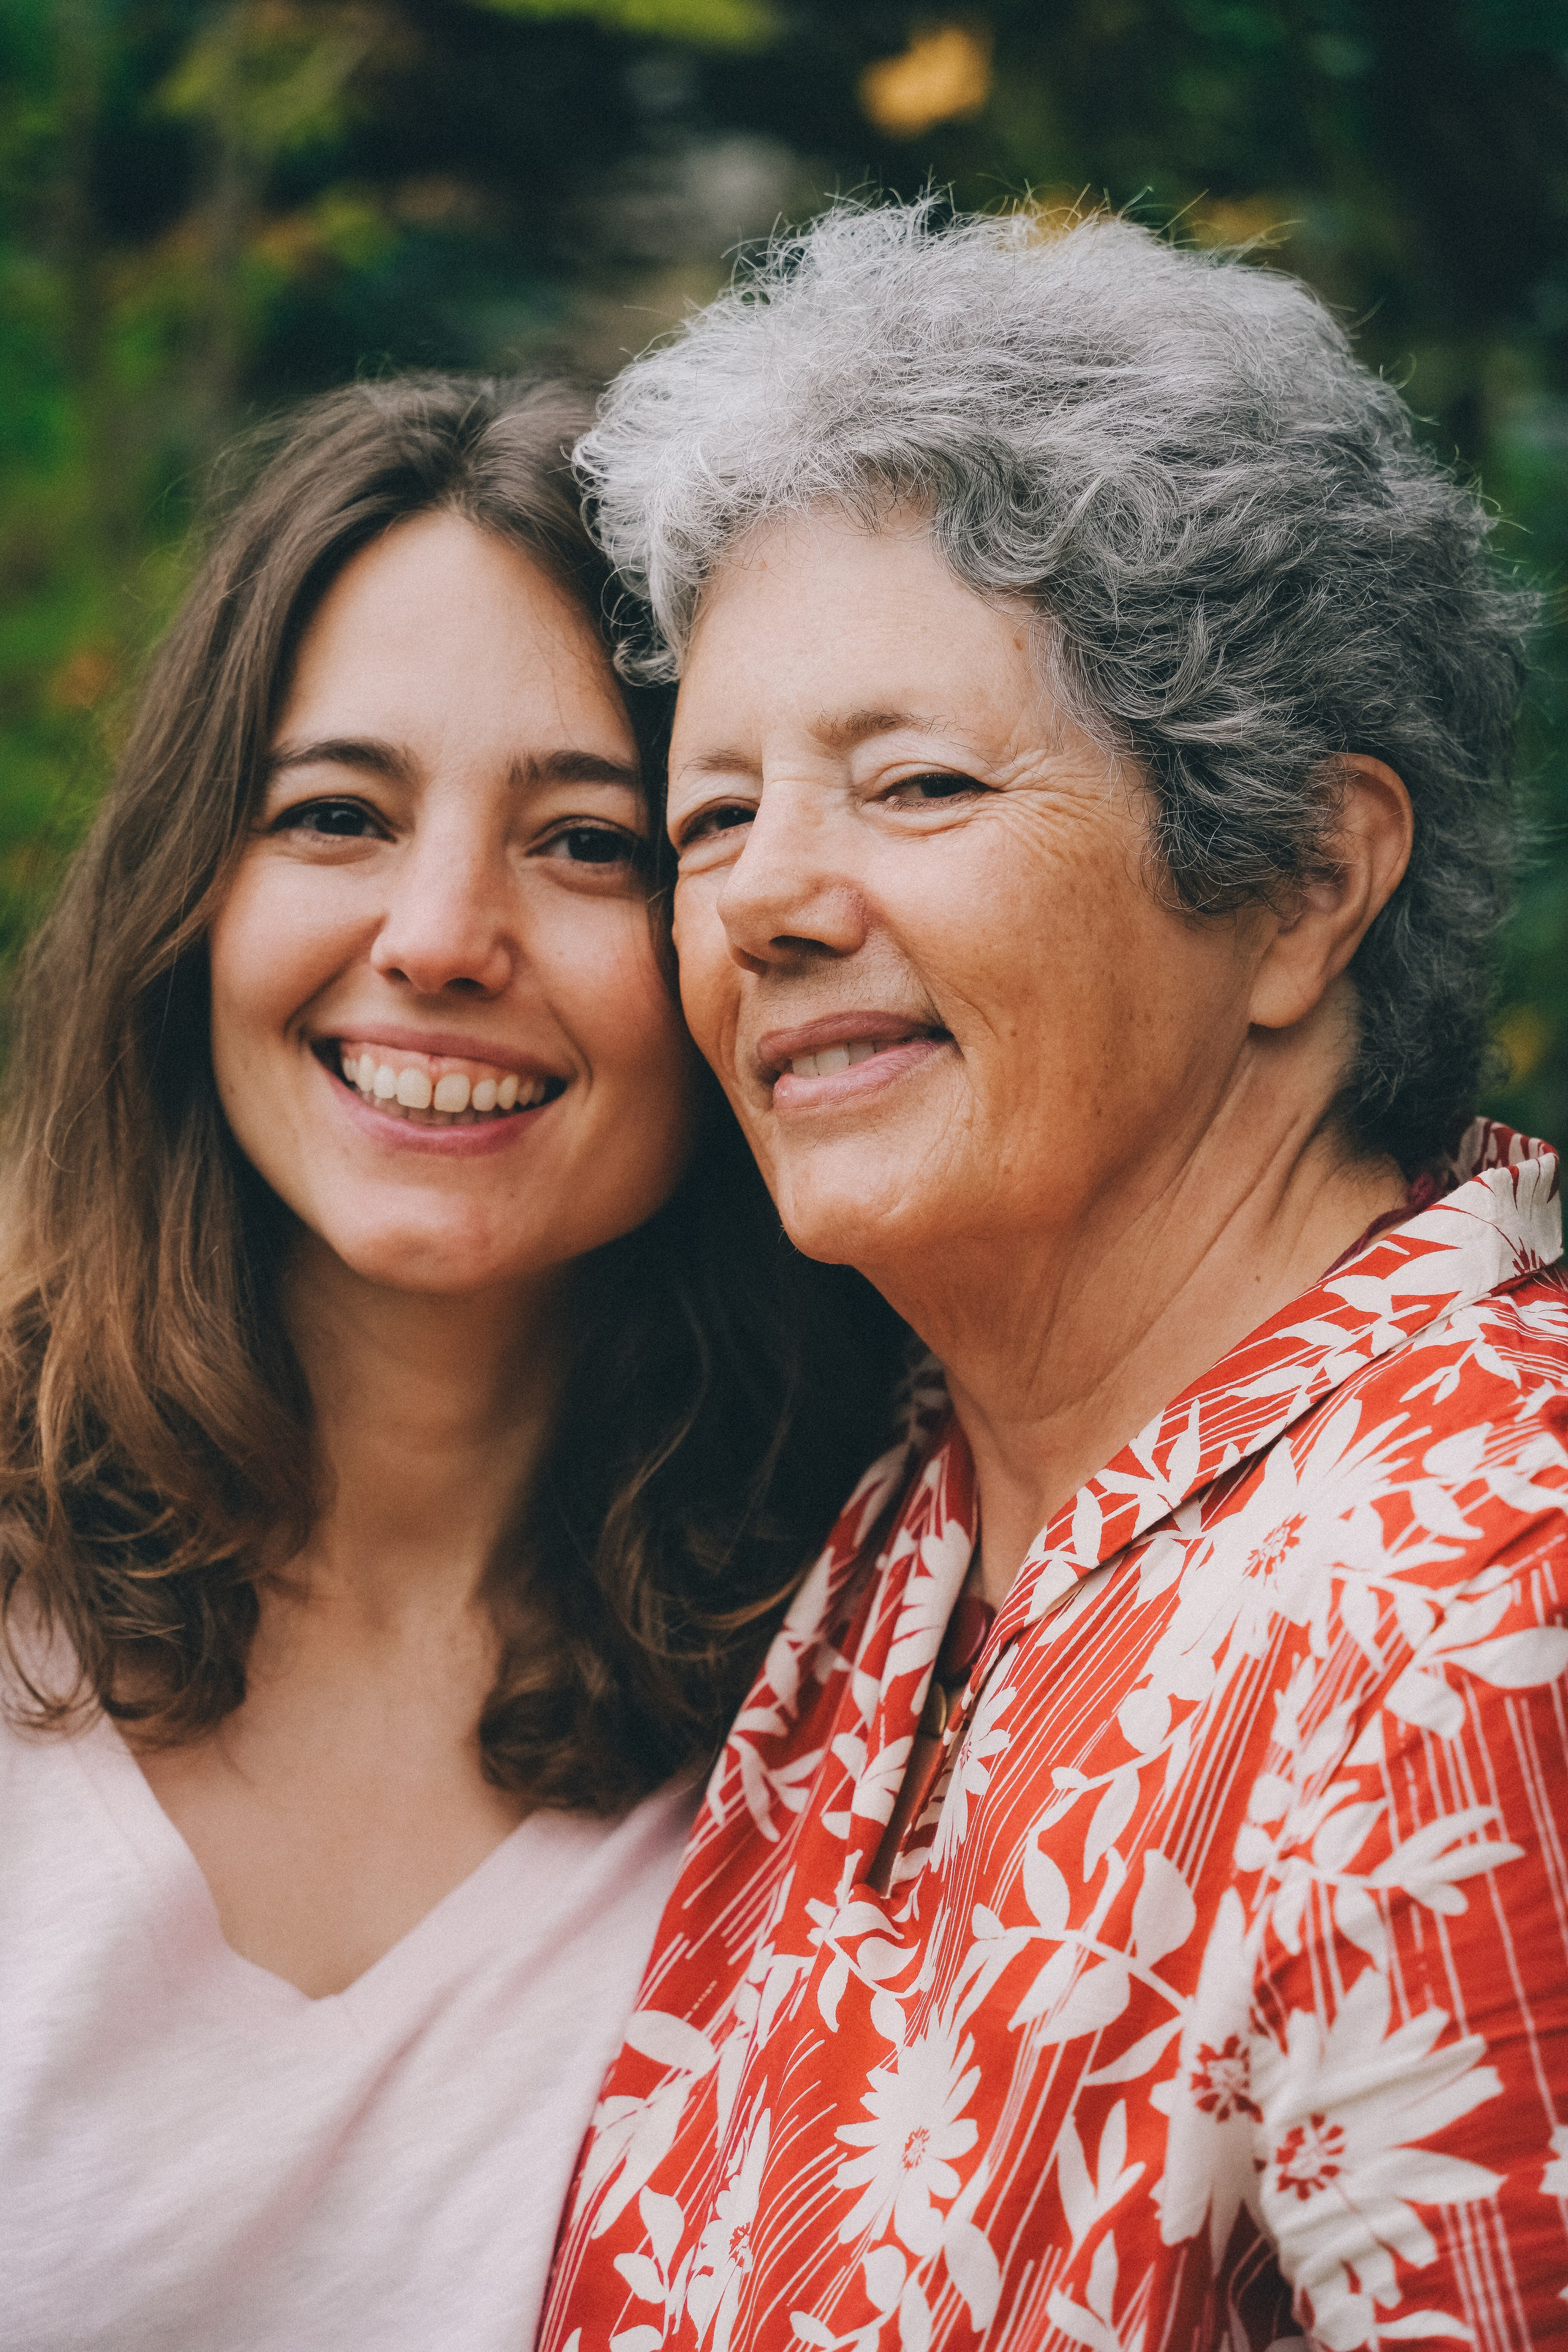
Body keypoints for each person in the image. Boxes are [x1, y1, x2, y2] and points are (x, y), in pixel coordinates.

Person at [540, 205, 1568, 2350]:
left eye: (914, 783)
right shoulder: (915, 1511)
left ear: (1302, 880)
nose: (766, 906)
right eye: (712, 815)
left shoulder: (1489, 1591)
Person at [0, 375, 902, 2352]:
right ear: (188, 891)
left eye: (588, 842)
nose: (439, 935)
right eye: (335, 814)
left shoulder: (865, 1676)